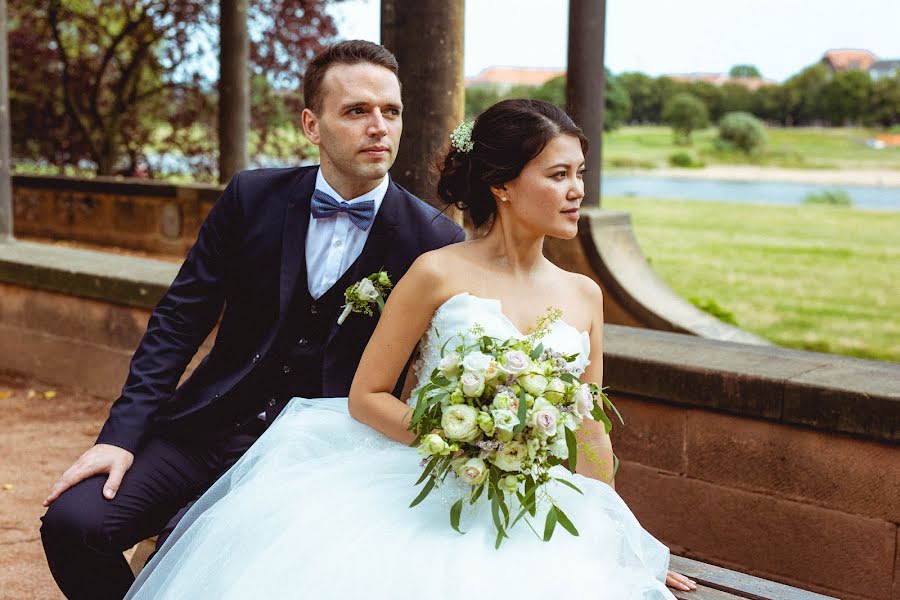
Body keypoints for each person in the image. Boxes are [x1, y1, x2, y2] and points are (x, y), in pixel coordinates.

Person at [124, 99, 697, 599]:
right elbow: (366, 395)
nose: (577, 190)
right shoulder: (435, 273)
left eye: (581, 173)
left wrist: (615, 537)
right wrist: (461, 443)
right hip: (415, 490)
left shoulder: (584, 294)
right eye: (558, 174)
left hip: (528, 504)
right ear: (502, 185)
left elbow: (590, 426)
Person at [39, 40, 464, 600]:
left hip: (317, 454)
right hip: (205, 427)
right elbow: (178, 321)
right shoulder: (251, 197)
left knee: (215, 560)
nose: (379, 126)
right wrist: (119, 438)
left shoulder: (432, 239)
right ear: (312, 125)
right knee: (74, 524)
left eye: (391, 111)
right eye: (357, 111)